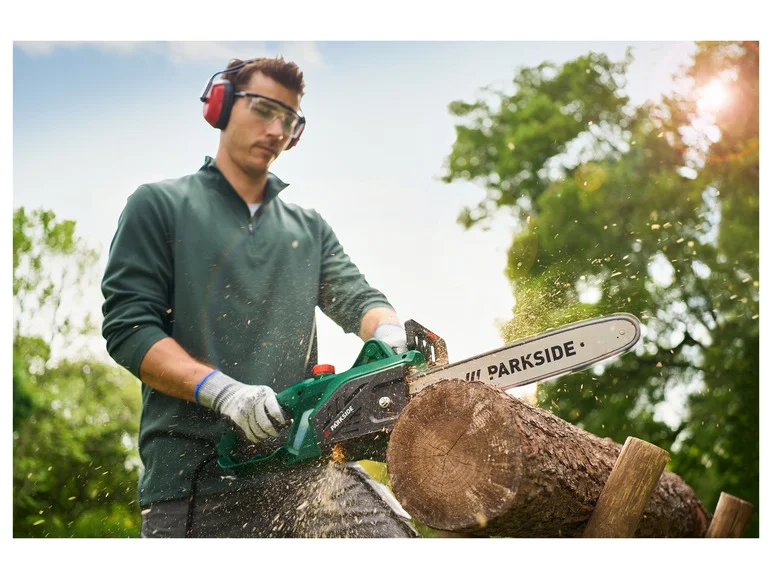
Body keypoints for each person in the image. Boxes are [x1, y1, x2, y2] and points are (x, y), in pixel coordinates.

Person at [101, 56, 417, 538]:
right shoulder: (160, 206)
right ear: (221, 106)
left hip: (305, 472)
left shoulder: (307, 228)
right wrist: (222, 392)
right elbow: (129, 330)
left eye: (289, 120)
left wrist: (389, 334)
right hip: (197, 485)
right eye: (264, 110)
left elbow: (359, 298)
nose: (276, 129)